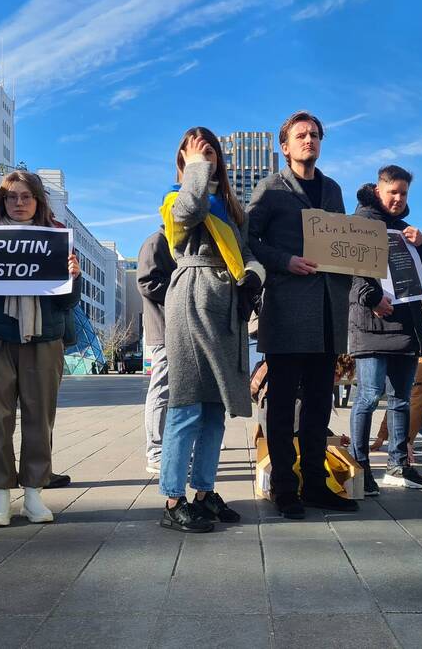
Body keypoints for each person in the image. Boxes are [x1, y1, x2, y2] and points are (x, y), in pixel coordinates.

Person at [247, 110, 358, 519]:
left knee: (318, 403)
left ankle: (315, 483)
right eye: (300, 135)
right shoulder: (270, 189)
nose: (308, 140)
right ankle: (284, 488)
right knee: (280, 407)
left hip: (328, 313)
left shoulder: (332, 190)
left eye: (314, 135)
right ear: (285, 146)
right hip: (287, 310)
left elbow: (343, 242)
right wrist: (284, 260)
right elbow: (250, 239)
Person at [0, 171, 82, 527]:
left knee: (39, 418)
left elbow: (67, 302)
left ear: (38, 201)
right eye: (11, 197)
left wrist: (74, 276)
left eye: (26, 197)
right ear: (2, 201)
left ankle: (33, 494)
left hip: (44, 338)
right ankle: (0, 497)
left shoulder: (57, 238)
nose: (19, 203)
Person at [157, 126, 264, 533]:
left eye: (210, 150)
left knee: (217, 408)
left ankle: (203, 492)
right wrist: (197, 168)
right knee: (186, 405)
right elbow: (187, 211)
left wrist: (254, 275)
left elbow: (249, 253)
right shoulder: (174, 196)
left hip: (227, 304)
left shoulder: (233, 208)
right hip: (193, 300)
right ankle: (172, 498)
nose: (205, 154)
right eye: (194, 148)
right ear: (182, 157)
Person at [348, 171, 422, 496]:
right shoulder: (360, 222)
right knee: (369, 396)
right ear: (377, 190)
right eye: (392, 192)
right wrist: (372, 299)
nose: (398, 199)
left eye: (403, 193)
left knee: (401, 400)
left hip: (406, 325)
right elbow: (349, 270)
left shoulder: (404, 231)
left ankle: (399, 465)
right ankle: (360, 468)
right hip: (371, 326)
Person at [137, 227, 177, 474]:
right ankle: (156, 451)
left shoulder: (173, 241)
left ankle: (167, 447)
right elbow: (146, 282)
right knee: (162, 389)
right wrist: (183, 293)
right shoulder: (157, 241)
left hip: (177, 327)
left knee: (175, 391)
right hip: (164, 328)